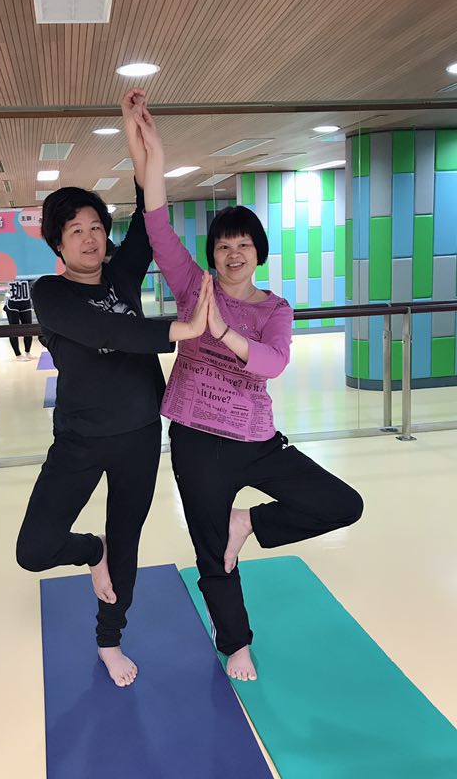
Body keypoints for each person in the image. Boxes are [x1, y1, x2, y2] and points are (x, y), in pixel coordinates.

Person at [132, 100, 364, 682]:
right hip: (196, 440)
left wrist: (224, 333)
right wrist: (152, 154)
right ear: (212, 254)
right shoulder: (193, 286)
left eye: (243, 245)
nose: (233, 255)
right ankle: (235, 643)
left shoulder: (274, 309)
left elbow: (273, 363)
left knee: (343, 503)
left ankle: (250, 523)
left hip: (256, 440)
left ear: (258, 252)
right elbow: (157, 223)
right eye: (222, 246)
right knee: (211, 551)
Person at [16, 89, 211, 689]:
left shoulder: (122, 274)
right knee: (34, 549)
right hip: (80, 439)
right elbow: (108, 332)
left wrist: (141, 150)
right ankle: (90, 551)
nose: (89, 238)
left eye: (97, 227)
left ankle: (109, 640)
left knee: (128, 540)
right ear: (57, 243)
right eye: (75, 230)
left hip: (139, 436)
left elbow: (150, 219)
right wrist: (179, 330)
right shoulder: (50, 294)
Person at [3, 280, 34, 360]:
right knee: (14, 330)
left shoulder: (27, 276)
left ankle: (28, 352)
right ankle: (18, 354)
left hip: (26, 303)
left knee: (28, 329)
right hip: (12, 303)